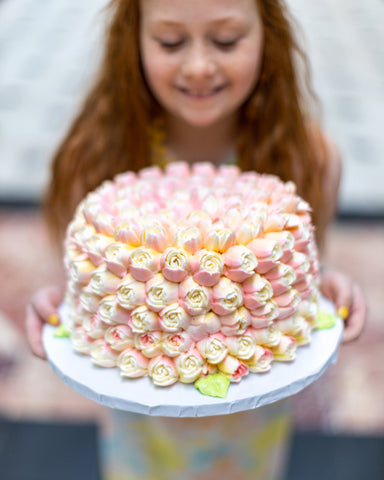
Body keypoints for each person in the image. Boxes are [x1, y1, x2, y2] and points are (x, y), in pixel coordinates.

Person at [25, 0, 367, 478]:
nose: (199, 67)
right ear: (134, 40)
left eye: (226, 40)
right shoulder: (97, 154)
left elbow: (299, 270)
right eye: (170, 42)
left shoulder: (309, 156)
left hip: (254, 413)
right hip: (142, 424)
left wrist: (325, 287)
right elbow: (86, 278)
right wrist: (56, 299)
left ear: (267, 34)